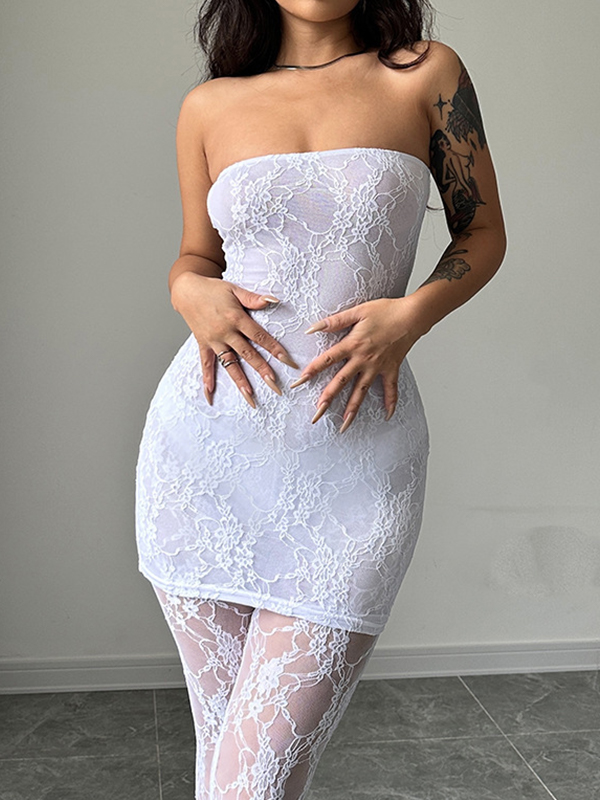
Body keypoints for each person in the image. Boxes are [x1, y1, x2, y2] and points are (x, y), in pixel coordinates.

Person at [134, 1, 507, 798]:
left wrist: (411, 315)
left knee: (254, 781)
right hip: (204, 464)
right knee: (227, 769)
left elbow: (481, 234)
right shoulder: (209, 106)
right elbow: (195, 255)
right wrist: (187, 291)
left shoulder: (424, 74)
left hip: (356, 464)